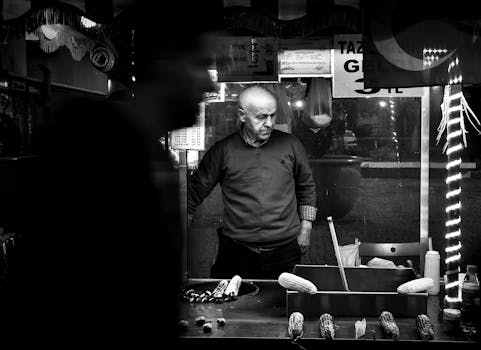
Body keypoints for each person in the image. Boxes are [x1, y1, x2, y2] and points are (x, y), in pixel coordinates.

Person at [2, 0, 219, 346]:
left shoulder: (152, 156)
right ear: (165, 64)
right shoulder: (91, 145)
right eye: (199, 65)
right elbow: (48, 292)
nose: (207, 84)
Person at [188, 86, 317, 279]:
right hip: (237, 251)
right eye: (261, 117)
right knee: (232, 306)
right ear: (242, 115)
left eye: (272, 116)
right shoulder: (223, 151)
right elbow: (195, 190)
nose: (269, 123)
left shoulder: (291, 145)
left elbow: (306, 186)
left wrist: (306, 228)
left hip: (285, 250)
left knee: (283, 306)